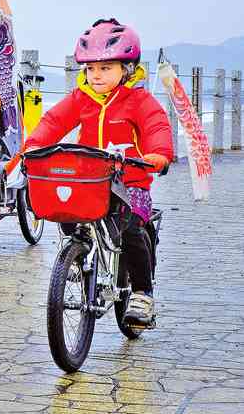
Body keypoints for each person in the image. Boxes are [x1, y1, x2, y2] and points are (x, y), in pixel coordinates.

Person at [25, 19, 173, 326]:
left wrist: (158, 154)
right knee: (65, 213)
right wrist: (34, 147)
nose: (96, 75)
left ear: (126, 69)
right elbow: (53, 122)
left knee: (131, 227)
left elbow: (156, 125)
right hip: (91, 181)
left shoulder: (139, 100)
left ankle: (143, 293)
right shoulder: (81, 99)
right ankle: (77, 259)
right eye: (91, 69)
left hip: (131, 182)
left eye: (105, 68)